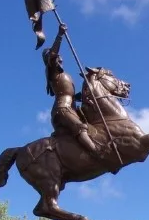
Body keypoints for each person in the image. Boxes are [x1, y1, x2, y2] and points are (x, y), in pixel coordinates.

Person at [43, 24, 106, 161]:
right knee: (80, 127)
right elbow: (53, 55)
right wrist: (60, 35)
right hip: (63, 109)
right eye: (58, 57)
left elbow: (73, 96)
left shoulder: (65, 75)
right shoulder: (53, 72)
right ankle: (97, 153)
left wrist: (87, 95)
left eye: (61, 57)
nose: (61, 58)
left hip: (72, 108)